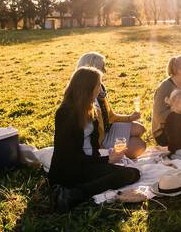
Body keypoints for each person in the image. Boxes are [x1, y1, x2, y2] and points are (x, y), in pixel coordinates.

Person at [48, 67, 140, 212]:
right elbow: (70, 156)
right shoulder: (66, 113)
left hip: (88, 164)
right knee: (122, 175)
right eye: (98, 84)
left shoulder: (92, 109)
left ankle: (74, 193)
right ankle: (71, 195)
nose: (100, 88)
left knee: (132, 173)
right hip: (68, 169)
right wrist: (106, 160)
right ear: (87, 88)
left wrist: (110, 157)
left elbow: (93, 147)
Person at [76, 52, 146, 158]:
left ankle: (119, 150)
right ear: (92, 69)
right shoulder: (82, 95)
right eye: (102, 67)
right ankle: (112, 154)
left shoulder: (100, 87)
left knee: (140, 128)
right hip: (97, 140)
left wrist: (130, 117)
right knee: (139, 146)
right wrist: (100, 148)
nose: (105, 71)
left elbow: (110, 116)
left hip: (107, 128)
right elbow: (84, 133)